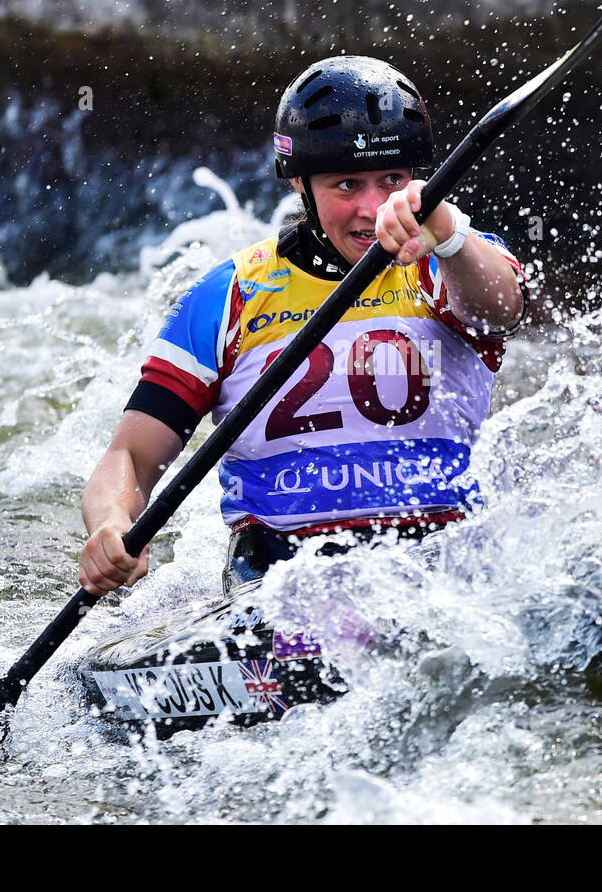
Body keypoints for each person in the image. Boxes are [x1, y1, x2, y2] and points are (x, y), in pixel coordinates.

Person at [77, 55, 529, 598]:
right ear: (299, 182)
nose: (372, 208)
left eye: (393, 179)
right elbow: (130, 456)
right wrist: (111, 524)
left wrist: (450, 232)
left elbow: (502, 311)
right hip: (282, 581)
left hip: (446, 570)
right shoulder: (230, 295)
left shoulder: (451, 260)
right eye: (346, 185)